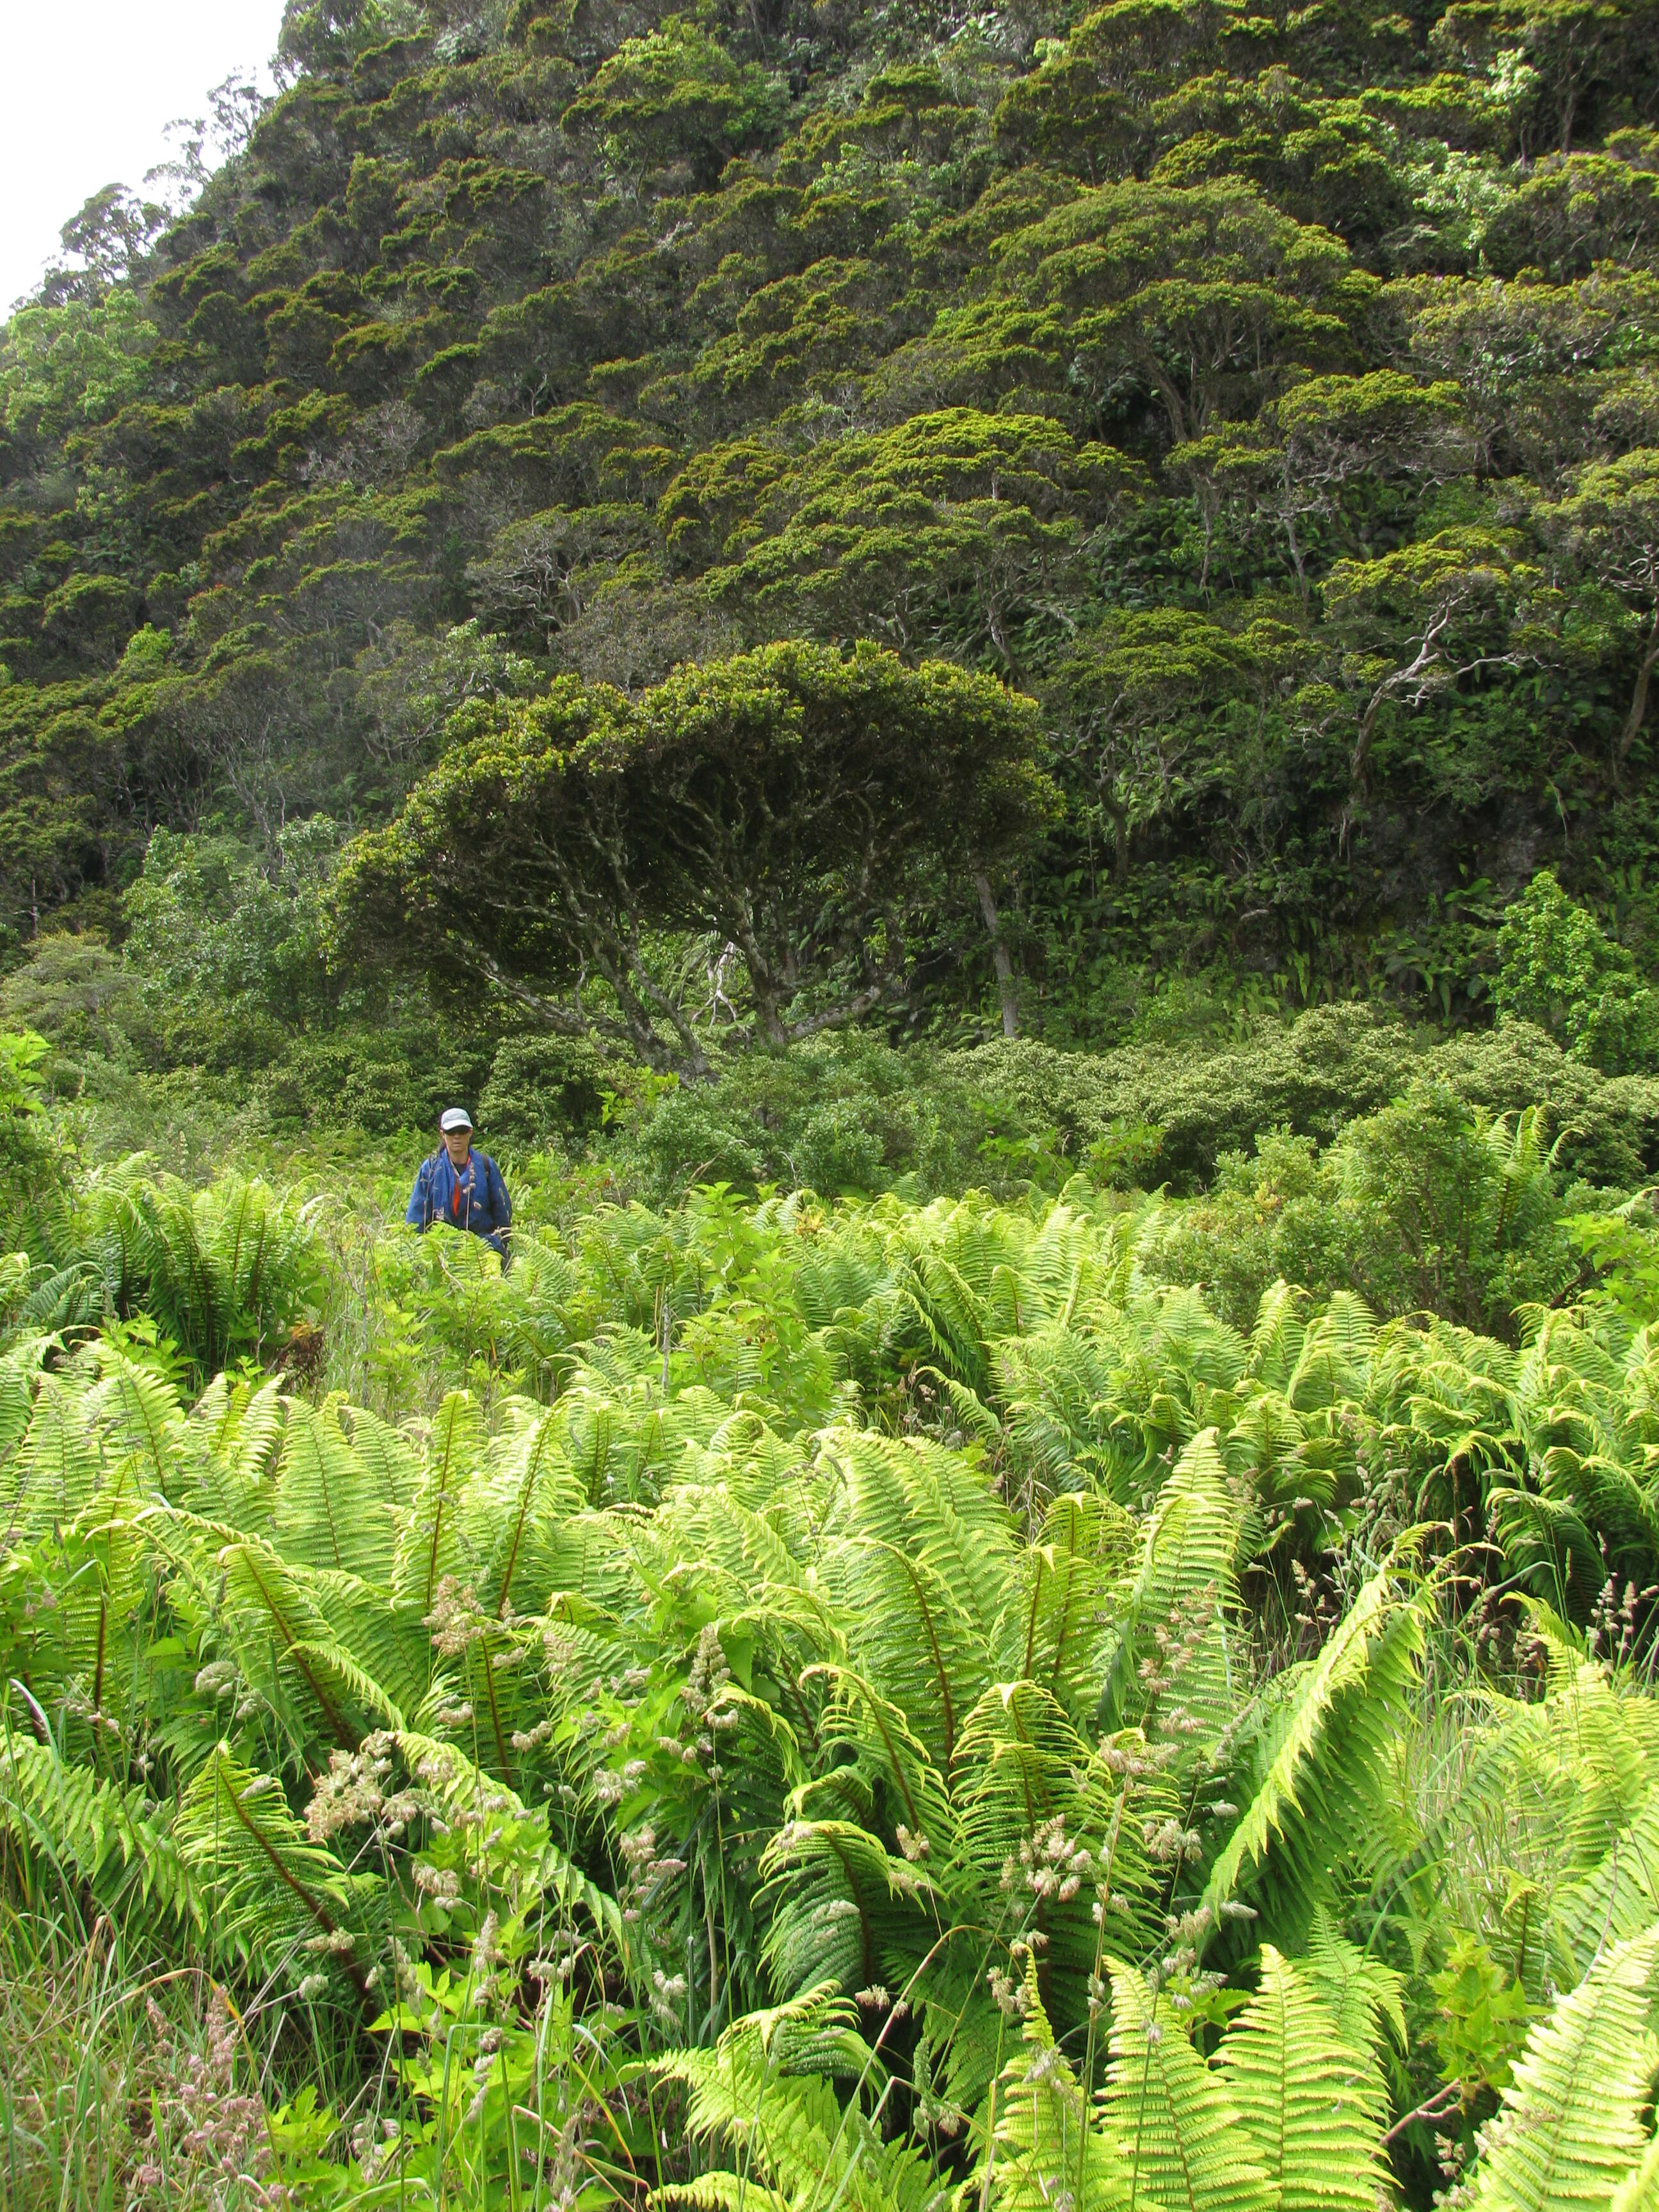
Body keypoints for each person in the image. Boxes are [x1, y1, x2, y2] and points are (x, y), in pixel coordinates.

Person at [405, 1107, 512, 1258]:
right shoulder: (430, 1169)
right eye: (451, 1131)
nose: (457, 1136)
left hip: (484, 1252)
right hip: (443, 1253)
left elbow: (503, 1214)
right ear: (442, 1134)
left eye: (462, 1131)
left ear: (470, 1132)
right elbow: (415, 1220)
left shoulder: (486, 1166)